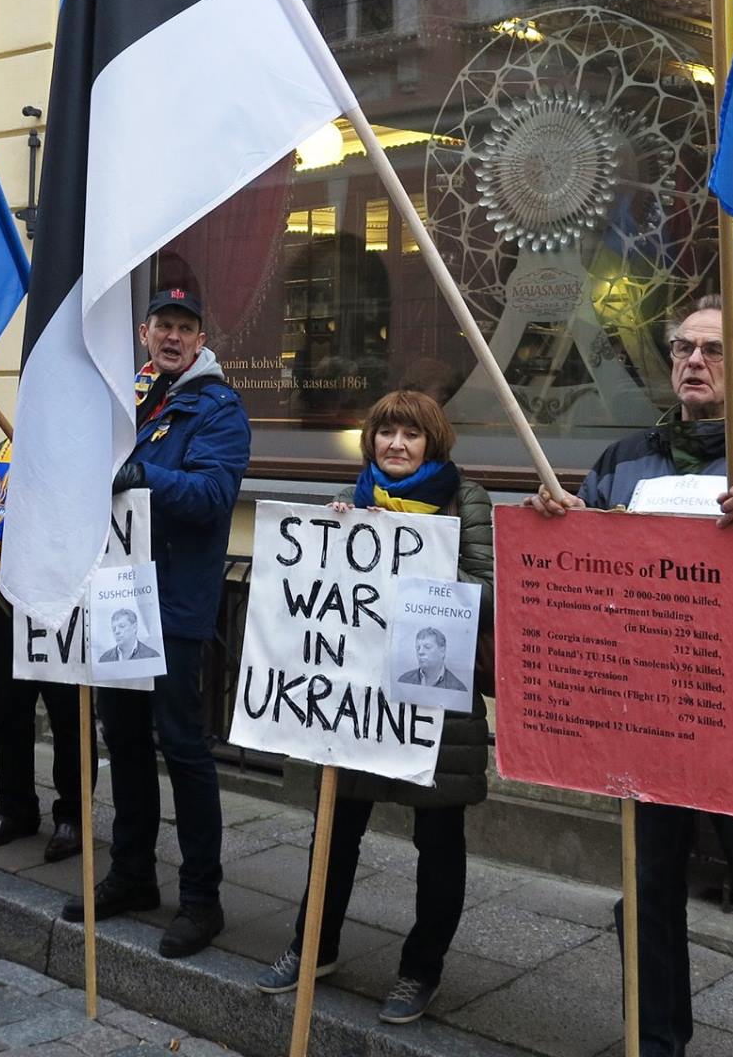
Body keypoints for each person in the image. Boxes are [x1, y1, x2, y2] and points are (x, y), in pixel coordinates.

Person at [532, 294, 733, 1057]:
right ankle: (656, 1043)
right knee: (646, 898)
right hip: (647, 718)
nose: (695, 362)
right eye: (683, 348)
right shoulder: (622, 462)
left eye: (715, 351)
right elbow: (588, 579)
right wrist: (559, 529)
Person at [256, 389, 494, 1025]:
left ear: (432, 442)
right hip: (358, 697)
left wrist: (412, 559)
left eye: (411, 434)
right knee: (335, 828)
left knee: (438, 841)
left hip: (434, 701)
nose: (396, 444)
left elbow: (488, 592)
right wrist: (339, 538)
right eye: (387, 432)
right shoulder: (353, 497)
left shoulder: (466, 499)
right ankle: (314, 944)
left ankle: (421, 968)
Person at [60, 287, 248, 960]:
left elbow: (214, 496)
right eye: (163, 325)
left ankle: (202, 900)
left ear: (200, 341)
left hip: (172, 607)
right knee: (125, 740)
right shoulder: (130, 398)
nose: (172, 337)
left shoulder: (218, 408)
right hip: (118, 599)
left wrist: (143, 477)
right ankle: (132, 874)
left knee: (184, 747)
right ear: (145, 333)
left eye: (184, 328)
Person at [0, 437, 88, 863]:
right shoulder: (5, 449)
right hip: (8, 598)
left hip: (63, 601)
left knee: (69, 714)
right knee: (10, 710)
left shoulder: (80, 441)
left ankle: (73, 817)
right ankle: (14, 809)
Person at [397, 626, 465, 691]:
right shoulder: (404, 680)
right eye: (418, 648)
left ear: (442, 651)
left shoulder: (458, 688)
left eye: (427, 647)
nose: (420, 652)